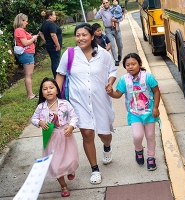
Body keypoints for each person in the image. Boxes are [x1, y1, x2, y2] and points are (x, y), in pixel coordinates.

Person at [56, 23, 117, 184]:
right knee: (87, 134)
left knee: (104, 134)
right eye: (77, 35)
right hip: (78, 102)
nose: (80, 38)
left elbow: (113, 71)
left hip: (100, 101)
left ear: (91, 37)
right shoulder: (69, 54)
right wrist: (56, 99)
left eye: (84, 35)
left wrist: (110, 82)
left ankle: (107, 146)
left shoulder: (103, 54)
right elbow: (60, 74)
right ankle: (95, 169)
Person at [107, 53, 160, 171]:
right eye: (127, 65)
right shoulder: (124, 80)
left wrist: (155, 107)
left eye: (133, 64)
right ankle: (138, 150)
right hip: (134, 114)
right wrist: (110, 92)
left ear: (140, 64)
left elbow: (156, 91)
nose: (130, 67)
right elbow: (118, 94)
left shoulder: (148, 77)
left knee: (150, 136)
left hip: (150, 113)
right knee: (137, 135)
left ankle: (151, 158)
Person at [31, 77, 79, 197]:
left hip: (65, 136)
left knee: (71, 159)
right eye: (45, 89)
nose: (48, 91)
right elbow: (34, 118)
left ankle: (70, 169)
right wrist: (39, 122)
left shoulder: (65, 104)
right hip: (51, 139)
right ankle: (63, 186)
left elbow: (74, 117)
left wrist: (71, 126)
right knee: (55, 164)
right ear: (42, 92)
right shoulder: (41, 107)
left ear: (57, 90)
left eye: (51, 88)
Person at [13, 13, 39, 99]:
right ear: (21, 21)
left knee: (29, 75)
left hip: (27, 54)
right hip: (26, 54)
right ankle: (30, 95)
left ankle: (30, 94)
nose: (27, 23)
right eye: (26, 21)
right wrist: (34, 38)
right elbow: (25, 43)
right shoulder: (19, 30)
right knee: (28, 75)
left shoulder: (20, 30)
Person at [95, 0, 123, 66]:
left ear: (109, 2)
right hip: (108, 29)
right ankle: (116, 60)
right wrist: (100, 10)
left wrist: (115, 20)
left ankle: (119, 55)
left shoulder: (114, 8)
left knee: (120, 45)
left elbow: (121, 18)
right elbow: (96, 18)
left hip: (116, 28)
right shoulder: (102, 11)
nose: (105, 4)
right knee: (112, 45)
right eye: (104, 3)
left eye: (106, 2)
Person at [39, 10, 62, 78]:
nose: (55, 16)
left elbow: (40, 33)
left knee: (54, 61)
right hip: (54, 46)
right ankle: (57, 77)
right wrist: (57, 45)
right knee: (55, 61)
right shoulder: (51, 24)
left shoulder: (44, 23)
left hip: (49, 45)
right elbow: (53, 35)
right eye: (54, 15)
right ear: (50, 17)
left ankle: (57, 76)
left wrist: (45, 40)